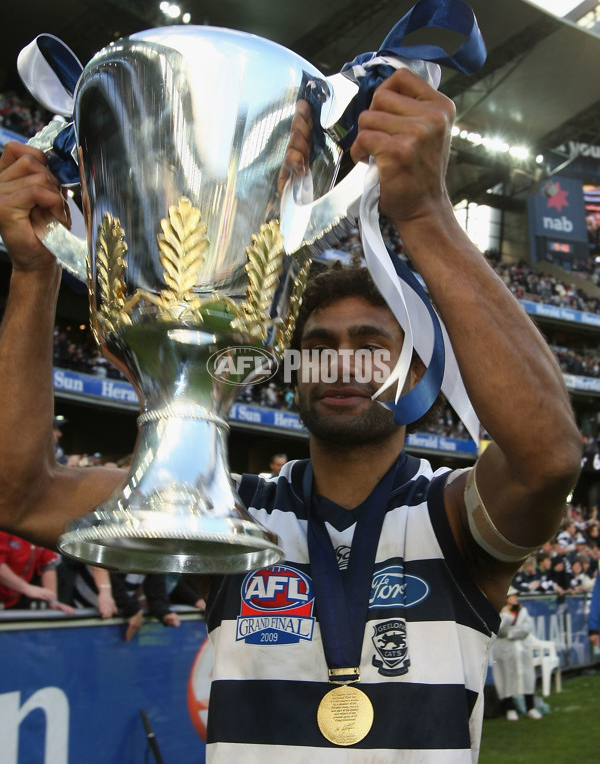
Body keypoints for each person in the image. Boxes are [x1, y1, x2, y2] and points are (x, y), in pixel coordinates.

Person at [0, 67, 582, 761]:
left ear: (415, 372)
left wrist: (425, 211)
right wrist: (35, 275)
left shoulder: (452, 515)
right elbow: (20, 493)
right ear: (291, 372)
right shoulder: (226, 513)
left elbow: (550, 457)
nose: (341, 361)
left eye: (371, 345)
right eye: (318, 345)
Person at [491, 586, 542, 720]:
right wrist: (506, 617)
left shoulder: (522, 611)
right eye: (512, 596)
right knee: (507, 679)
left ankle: (530, 707)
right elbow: (500, 631)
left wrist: (512, 633)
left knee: (527, 678)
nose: (515, 598)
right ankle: (510, 708)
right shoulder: (500, 612)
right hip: (504, 651)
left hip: (521, 650)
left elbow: (526, 628)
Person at [0, 531, 74, 613]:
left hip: (13, 601)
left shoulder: (38, 533)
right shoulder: (5, 528)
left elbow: (47, 563)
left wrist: (52, 600)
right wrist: (27, 588)